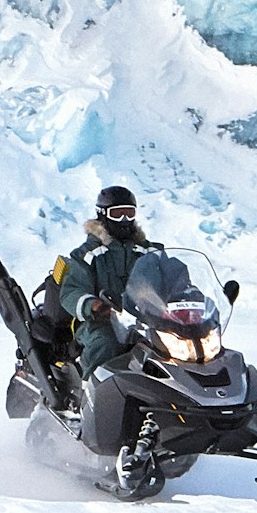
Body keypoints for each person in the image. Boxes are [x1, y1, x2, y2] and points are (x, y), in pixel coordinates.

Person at [36, 184, 158, 454]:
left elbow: (175, 279)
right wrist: (91, 305)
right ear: (103, 215)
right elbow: (72, 291)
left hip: (144, 321)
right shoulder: (88, 254)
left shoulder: (149, 252)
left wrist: (192, 299)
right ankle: (91, 406)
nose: (125, 221)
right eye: (118, 214)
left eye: (129, 213)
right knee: (105, 346)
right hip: (99, 322)